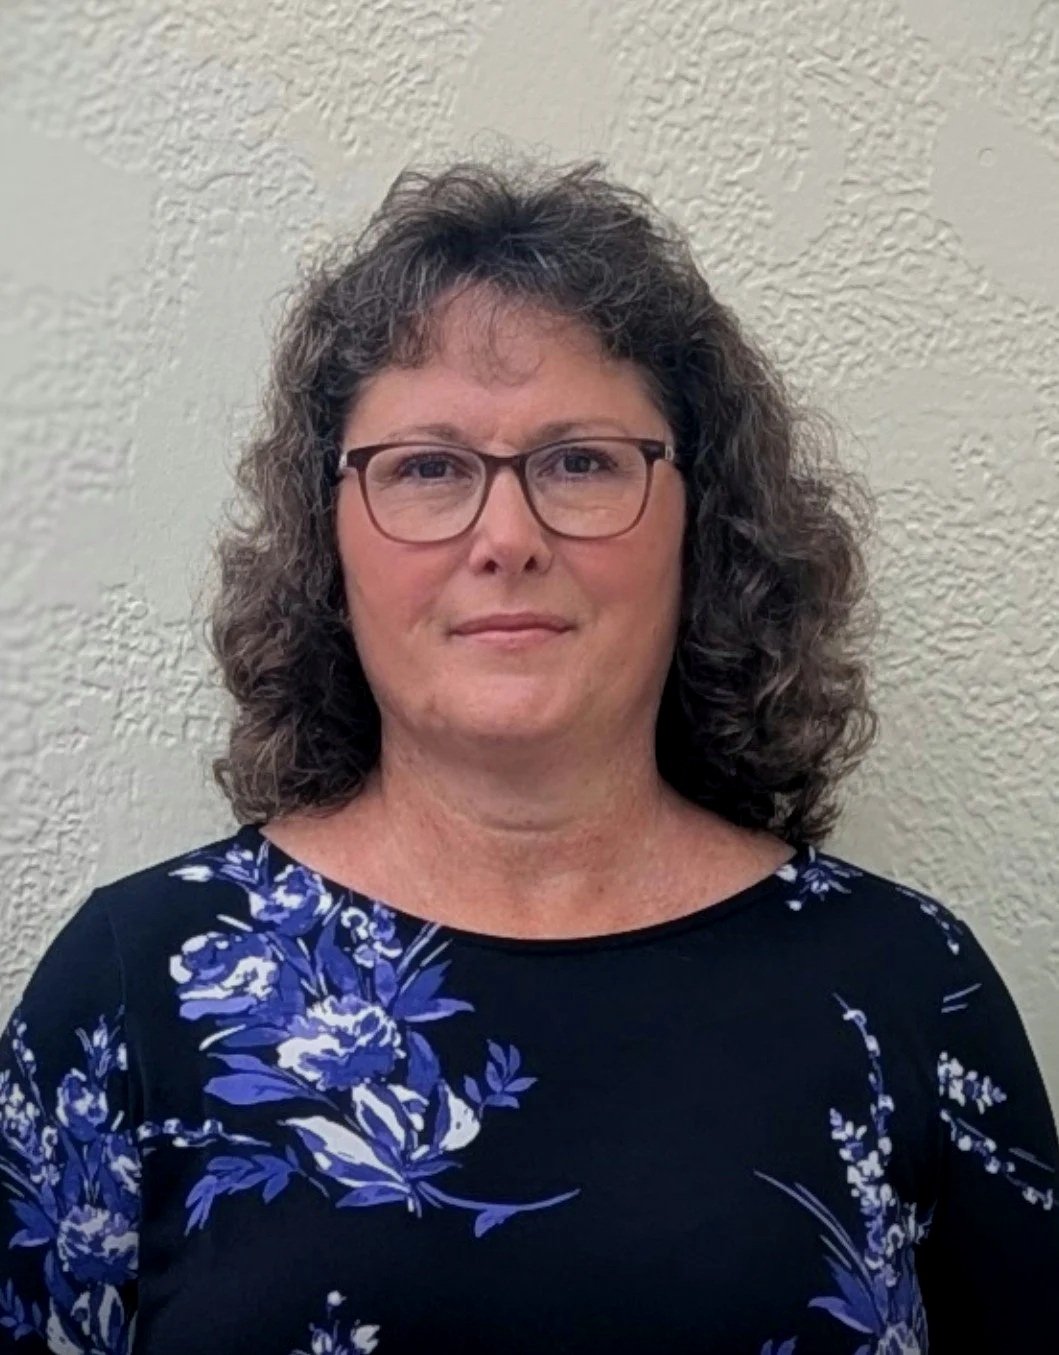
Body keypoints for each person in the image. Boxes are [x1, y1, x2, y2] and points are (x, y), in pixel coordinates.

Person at [1, 155, 1056, 1355]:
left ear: (702, 523)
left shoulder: (908, 990)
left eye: (582, 461)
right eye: (428, 467)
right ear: (327, 538)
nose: (506, 535)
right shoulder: (135, 993)